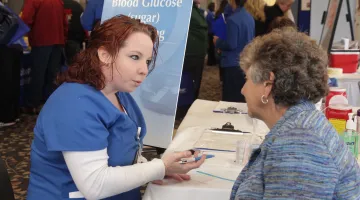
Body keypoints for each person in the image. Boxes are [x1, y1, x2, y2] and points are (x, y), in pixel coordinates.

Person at [27, 15, 206, 200]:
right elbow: (94, 185)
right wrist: (160, 168)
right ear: (104, 55)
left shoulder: (117, 93)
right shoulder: (73, 105)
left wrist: (157, 170)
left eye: (147, 61)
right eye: (135, 57)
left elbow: (124, 154)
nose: (144, 69)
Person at [231, 28, 360, 199]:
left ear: (267, 85)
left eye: (247, 79)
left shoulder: (299, 142)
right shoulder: (301, 126)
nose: (243, 90)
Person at [21, 0, 68, 114]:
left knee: (38, 73)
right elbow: (65, 22)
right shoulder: (58, 1)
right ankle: (50, 103)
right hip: (57, 41)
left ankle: (33, 104)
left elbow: (26, 19)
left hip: (41, 40)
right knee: (52, 74)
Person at [214, 0, 254, 103]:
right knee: (242, 96)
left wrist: (217, 41)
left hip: (232, 63)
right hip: (246, 63)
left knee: (230, 98)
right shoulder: (250, 18)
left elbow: (231, 44)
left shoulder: (232, 20)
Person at [176, 0, 207, 119]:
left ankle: (190, 107)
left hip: (196, 54)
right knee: (186, 85)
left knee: (194, 84)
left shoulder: (194, 8)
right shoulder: (184, 7)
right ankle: (183, 111)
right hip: (189, 54)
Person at [63, 0, 86, 65]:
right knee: (73, 66)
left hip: (59, 40)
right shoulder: (77, 6)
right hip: (75, 39)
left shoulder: (59, 5)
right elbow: (84, 24)